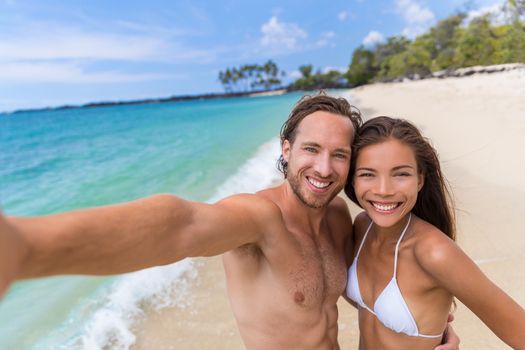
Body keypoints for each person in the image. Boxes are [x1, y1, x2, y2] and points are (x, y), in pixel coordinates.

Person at [0, 94, 459, 349]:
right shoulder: (257, 218)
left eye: (339, 155)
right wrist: (29, 245)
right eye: (311, 150)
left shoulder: (339, 215)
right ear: (285, 149)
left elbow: (371, 284)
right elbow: (179, 225)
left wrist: (422, 329)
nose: (323, 169)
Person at [344, 116, 525, 349]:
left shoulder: (434, 253)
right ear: (353, 179)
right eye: (368, 174)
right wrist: (432, 323)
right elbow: (369, 306)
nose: (383, 190)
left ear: (420, 179)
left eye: (401, 174)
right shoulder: (362, 226)